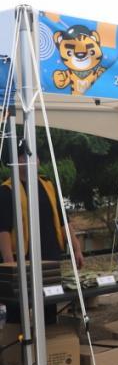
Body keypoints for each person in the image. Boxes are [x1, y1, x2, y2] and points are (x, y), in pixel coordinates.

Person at [0, 139, 84, 324]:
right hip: (22, 259)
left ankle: (50, 338)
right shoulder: (7, 190)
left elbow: (63, 220)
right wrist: (9, 262)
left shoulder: (47, 184)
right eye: (23, 156)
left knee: (48, 307)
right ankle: (18, 341)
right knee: (18, 311)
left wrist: (76, 248)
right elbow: (3, 230)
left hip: (49, 257)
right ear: (15, 161)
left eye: (34, 156)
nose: (32, 159)